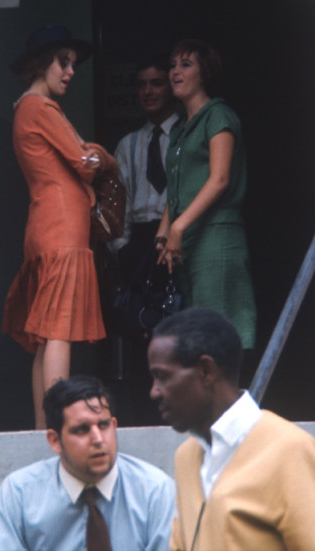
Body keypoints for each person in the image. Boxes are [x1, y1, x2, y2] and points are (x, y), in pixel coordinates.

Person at [147, 308, 315, 551]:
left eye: (162, 377)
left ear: (206, 371)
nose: (154, 391)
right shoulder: (186, 458)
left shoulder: (291, 450)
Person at [2, 25, 119, 429]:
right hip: (62, 226)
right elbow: (83, 161)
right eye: (62, 62)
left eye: (73, 64)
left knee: (48, 335)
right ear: (41, 63)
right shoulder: (41, 107)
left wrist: (90, 156)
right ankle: (58, 428)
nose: (70, 71)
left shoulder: (26, 107)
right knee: (58, 332)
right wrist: (106, 157)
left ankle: (44, 430)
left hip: (45, 222)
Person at [0, 375, 175, 551]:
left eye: (104, 425)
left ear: (114, 426)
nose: (98, 439)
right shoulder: (20, 494)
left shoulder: (154, 491)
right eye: (82, 429)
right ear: (54, 441)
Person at [155, 39, 258, 349]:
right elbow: (177, 186)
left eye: (186, 65)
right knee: (194, 338)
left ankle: (230, 400)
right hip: (187, 242)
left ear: (205, 74)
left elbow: (220, 179)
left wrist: (178, 226)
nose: (175, 72)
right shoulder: (179, 129)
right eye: (172, 65)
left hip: (216, 238)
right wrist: (163, 234)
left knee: (216, 338)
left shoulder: (218, 116)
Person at [107, 55, 179, 424]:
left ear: (171, 86)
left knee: (176, 326)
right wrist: (123, 251)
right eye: (142, 84)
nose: (148, 91)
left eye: (157, 83)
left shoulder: (187, 135)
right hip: (140, 245)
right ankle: (143, 419)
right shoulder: (128, 145)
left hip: (178, 241)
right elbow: (116, 206)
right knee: (138, 335)